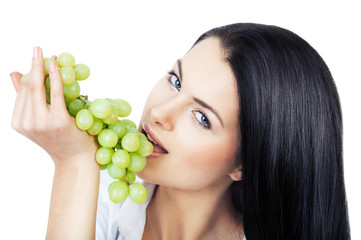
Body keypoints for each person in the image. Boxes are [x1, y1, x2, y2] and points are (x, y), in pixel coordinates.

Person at [10, 23, 350, 240]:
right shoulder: (106, 202)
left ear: (244, 163)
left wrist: (74, 166)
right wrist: (75, 164)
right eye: (175, 81)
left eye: (202, 118)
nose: (159, 113)